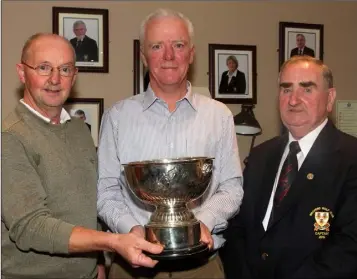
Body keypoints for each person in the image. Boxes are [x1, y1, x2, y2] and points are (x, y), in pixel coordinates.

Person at [2, 33, 163, 279]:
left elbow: (89, 203)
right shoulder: (10, 137)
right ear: (22, 73)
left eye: (65, 69)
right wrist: (111, 242)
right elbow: (30, 227)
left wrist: (98, 263)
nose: (55, 79)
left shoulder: (79, 130)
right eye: (44, 68)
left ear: (74, 76)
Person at [97, 8, 243, 279]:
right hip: (132, 267)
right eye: (156, 46)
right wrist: (133, 230)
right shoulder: (117, 117)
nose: (168, 56)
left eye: (178, 45)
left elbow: (232, 187)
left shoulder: (219, 116)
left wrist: (204, 222)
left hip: (201, 268)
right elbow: (105, 191)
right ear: (143, 57)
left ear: (191, 53)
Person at [221, 56, 357, 279]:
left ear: (330, 98)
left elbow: (348, 248)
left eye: (307, 89)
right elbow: (237, 228)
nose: (293, 100)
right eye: (286, 90)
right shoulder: (260, 155)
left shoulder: (351, 159)